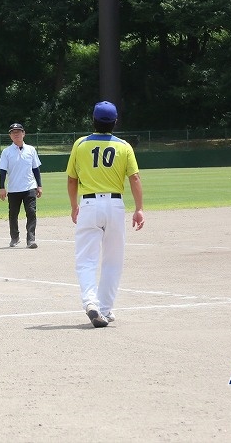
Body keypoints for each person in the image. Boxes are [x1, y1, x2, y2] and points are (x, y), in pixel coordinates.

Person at [66, 101, 144, 328]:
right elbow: (135, 178)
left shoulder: (80, 144)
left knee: (86, 259)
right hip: (115, 205)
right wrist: (139, 208)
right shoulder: (124, 147)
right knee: (113, 260)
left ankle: (91, 302)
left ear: (93, 120)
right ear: (115, 122)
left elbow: (72, 180)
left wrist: (74, 206)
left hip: (89, 204)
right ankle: (106, 309)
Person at [0, 123, 43, 248]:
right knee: (13, 214)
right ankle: (15, 237)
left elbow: (36, 168)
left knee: (31, 212)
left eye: (18, 131)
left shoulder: (31, 150)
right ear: (10, 136)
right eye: (13, 132)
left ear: (23, 133)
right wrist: (2, 187)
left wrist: (39, 185)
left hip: (29, 187)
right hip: (13, 189)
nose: (16, 134)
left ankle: (31, 239)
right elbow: (2, 171)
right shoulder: (6, 152)